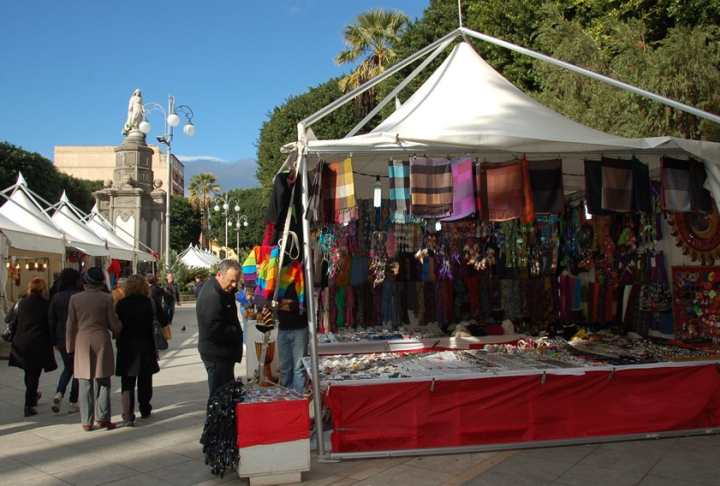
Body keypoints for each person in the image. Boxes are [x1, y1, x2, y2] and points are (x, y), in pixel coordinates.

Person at [66, 267, 122, 431]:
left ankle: (86, 421)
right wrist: (119, 329)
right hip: (101, 339)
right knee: (103, 380)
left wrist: (69, 345)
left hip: (82, 340)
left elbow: (70, 324)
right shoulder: (106, 298)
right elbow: (113, 323)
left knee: (84, 381)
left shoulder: (75, 299)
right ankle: (103, 417)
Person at [115, 275, 160, 425]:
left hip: (126, 345)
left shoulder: (121, 304)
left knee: (127, 382)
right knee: (145, 379)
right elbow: (163, 318)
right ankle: (145, 408)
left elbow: (117, 325)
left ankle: (128, 415)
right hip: (145, 344)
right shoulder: (148, 302)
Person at [9, 278, 57, 417]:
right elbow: (50, 325)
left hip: (21, 342)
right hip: (38, 343)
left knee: (29, 372)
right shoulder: (46, 305)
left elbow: (11, 319)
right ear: (43, 289)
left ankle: (32, 396)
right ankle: (29, 404)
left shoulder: (22, 303)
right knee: (33, 374)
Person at [197, 259, 243, 397]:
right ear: (219, 275)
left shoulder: (221, 287)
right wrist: (236, 332)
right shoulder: (212, 297)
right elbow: (214, 329)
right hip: (217, 355)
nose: (234, 285)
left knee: (225, 393)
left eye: (236, 281)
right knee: (219, 396)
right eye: (231, 281)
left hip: (223, 353)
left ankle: (223, 417)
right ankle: (214, 419)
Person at [48, 268, 83, 414]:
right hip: (79, 337)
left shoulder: (57, 297)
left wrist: (53, 340)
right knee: (77, 370)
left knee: (69, 367)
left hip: (61, 338)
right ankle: (73, 400)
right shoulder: (80, 296)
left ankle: (59, 393)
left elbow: (51, 320)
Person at [276, 285, 308, 395]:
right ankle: (287, 400)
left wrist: (283, 304)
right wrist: (288, 304)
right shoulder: (278, 275)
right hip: (283, 327)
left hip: (299, 327)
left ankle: (298, 398)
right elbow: (271, 301)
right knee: (285, 367)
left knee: (298, 368)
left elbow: (301, 305)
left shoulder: (302, 273)